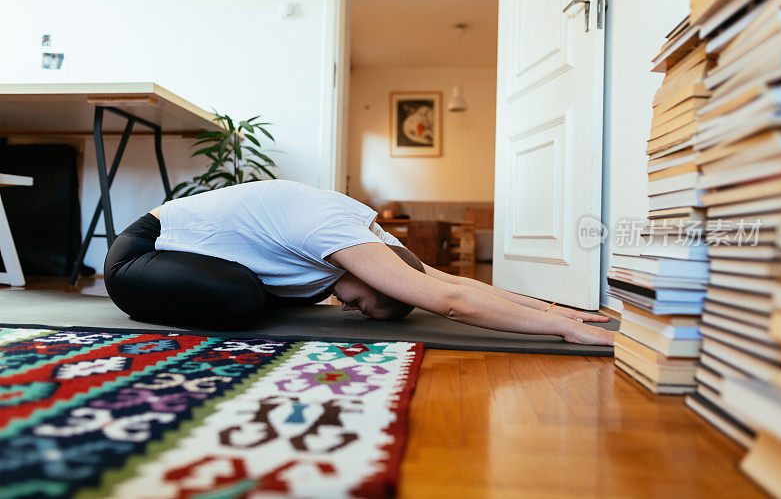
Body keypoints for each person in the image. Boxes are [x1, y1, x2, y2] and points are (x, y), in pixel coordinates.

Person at [104, 180, 614, 346]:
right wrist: (564, 334)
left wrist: (557, 311)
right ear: (374, 279)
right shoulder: (333, 234)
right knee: (240, 299)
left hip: (191, 258)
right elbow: (451, 303)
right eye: (370, 307)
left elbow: (444, 279)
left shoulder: (372, 238)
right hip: (141, 256)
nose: (355, 311)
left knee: (255, 296)